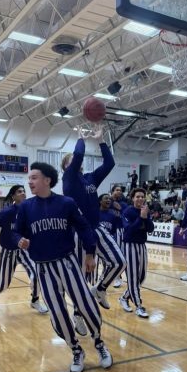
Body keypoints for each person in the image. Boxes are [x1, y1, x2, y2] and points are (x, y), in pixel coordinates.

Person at [13, 162, 112, 372]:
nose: (29, 182)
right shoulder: (25, 207)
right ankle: (76, 350)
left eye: (34, 178)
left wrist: (90, 252)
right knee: (57, 314)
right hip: (43, 268)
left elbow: (84, 227)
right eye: (29, 178)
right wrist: (19, 239)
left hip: (67, 263)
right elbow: (15, 232)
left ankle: (99, 343)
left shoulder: (66, 203)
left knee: (86, 305)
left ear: (47, 180)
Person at [61, 126, 126, 331]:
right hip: (79, 232)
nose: (76, 160)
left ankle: (100, 288)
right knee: (82, 278)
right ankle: (78, 315)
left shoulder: (89, 178)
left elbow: (110, 163)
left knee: (119, 262)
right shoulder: (68, 179)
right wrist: (80, 138)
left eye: (75, 159)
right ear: (66, 167)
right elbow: (79, 155)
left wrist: (101, 140)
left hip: (97, 228)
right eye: (70, 160)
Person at [0, 184, 48, 313]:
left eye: (24, 191)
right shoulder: (7, 212)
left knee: (37, 274)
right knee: (3, 282)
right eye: (19, 192)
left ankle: (35, 300)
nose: (23, 193)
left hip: (24, 250)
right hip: (9, 250)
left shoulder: (30, 211)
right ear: (13, 196)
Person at [119, 188, 154, 317]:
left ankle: (123, 297)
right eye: (137, 196)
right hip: (129, 246)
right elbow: (129, 231)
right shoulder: (127, 212)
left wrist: (146, 217)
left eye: (142, 196)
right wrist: (141, 218)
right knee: (133, 278)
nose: (140, 199)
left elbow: (150, 229)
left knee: (142, 277)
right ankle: (139, 306)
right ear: (132, 198)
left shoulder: (145, 210)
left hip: (141, 245)